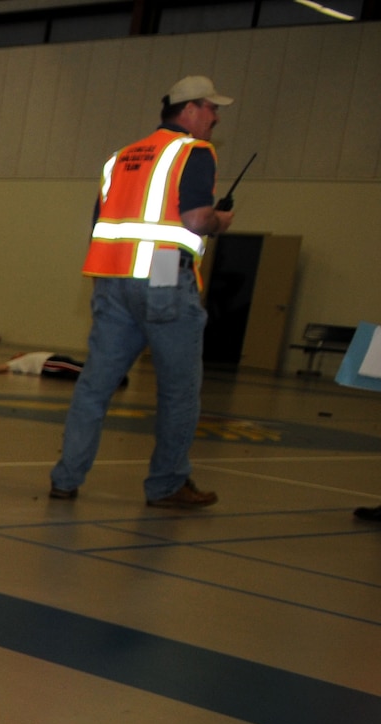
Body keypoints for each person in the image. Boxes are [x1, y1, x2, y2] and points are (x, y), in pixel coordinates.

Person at [50, 75, 235, 509]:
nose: (216, 117)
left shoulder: (121, 158)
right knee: (178, 389)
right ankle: (168, 484)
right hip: (164, 272)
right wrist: (220, 222)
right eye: (211, 108)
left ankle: (66, 478)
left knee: (95, 386)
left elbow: (101, 224)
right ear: (189, 110)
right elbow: (194, 220)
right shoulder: (194, 151)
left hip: (111, 276)